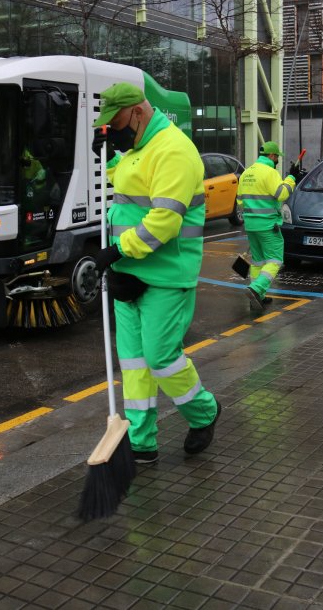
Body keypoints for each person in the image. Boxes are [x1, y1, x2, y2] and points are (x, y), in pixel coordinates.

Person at [91, 82, 220, 464]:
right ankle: (142, 441)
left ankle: (205, 412)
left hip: (165, 275)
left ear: (137, 112)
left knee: (161, 358)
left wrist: (115, 252)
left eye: (117, 124)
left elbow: (163, 222)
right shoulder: (137, 149)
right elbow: (132, 187)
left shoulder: (175, 151)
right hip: (128, 271)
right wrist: (110, 161)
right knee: (133, 363)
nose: (115, 132)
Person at [237, 141, 298, 310]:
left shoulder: (246, 173)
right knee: (275, 260)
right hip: (268, 225)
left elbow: (240, 201)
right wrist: (291, 178)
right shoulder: (270, 173)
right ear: (271, 156)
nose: (277, 159)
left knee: (258, 262)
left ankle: (258, 297)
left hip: (250, 225)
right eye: (277, 156)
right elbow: (282, 194)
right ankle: (256, 289)